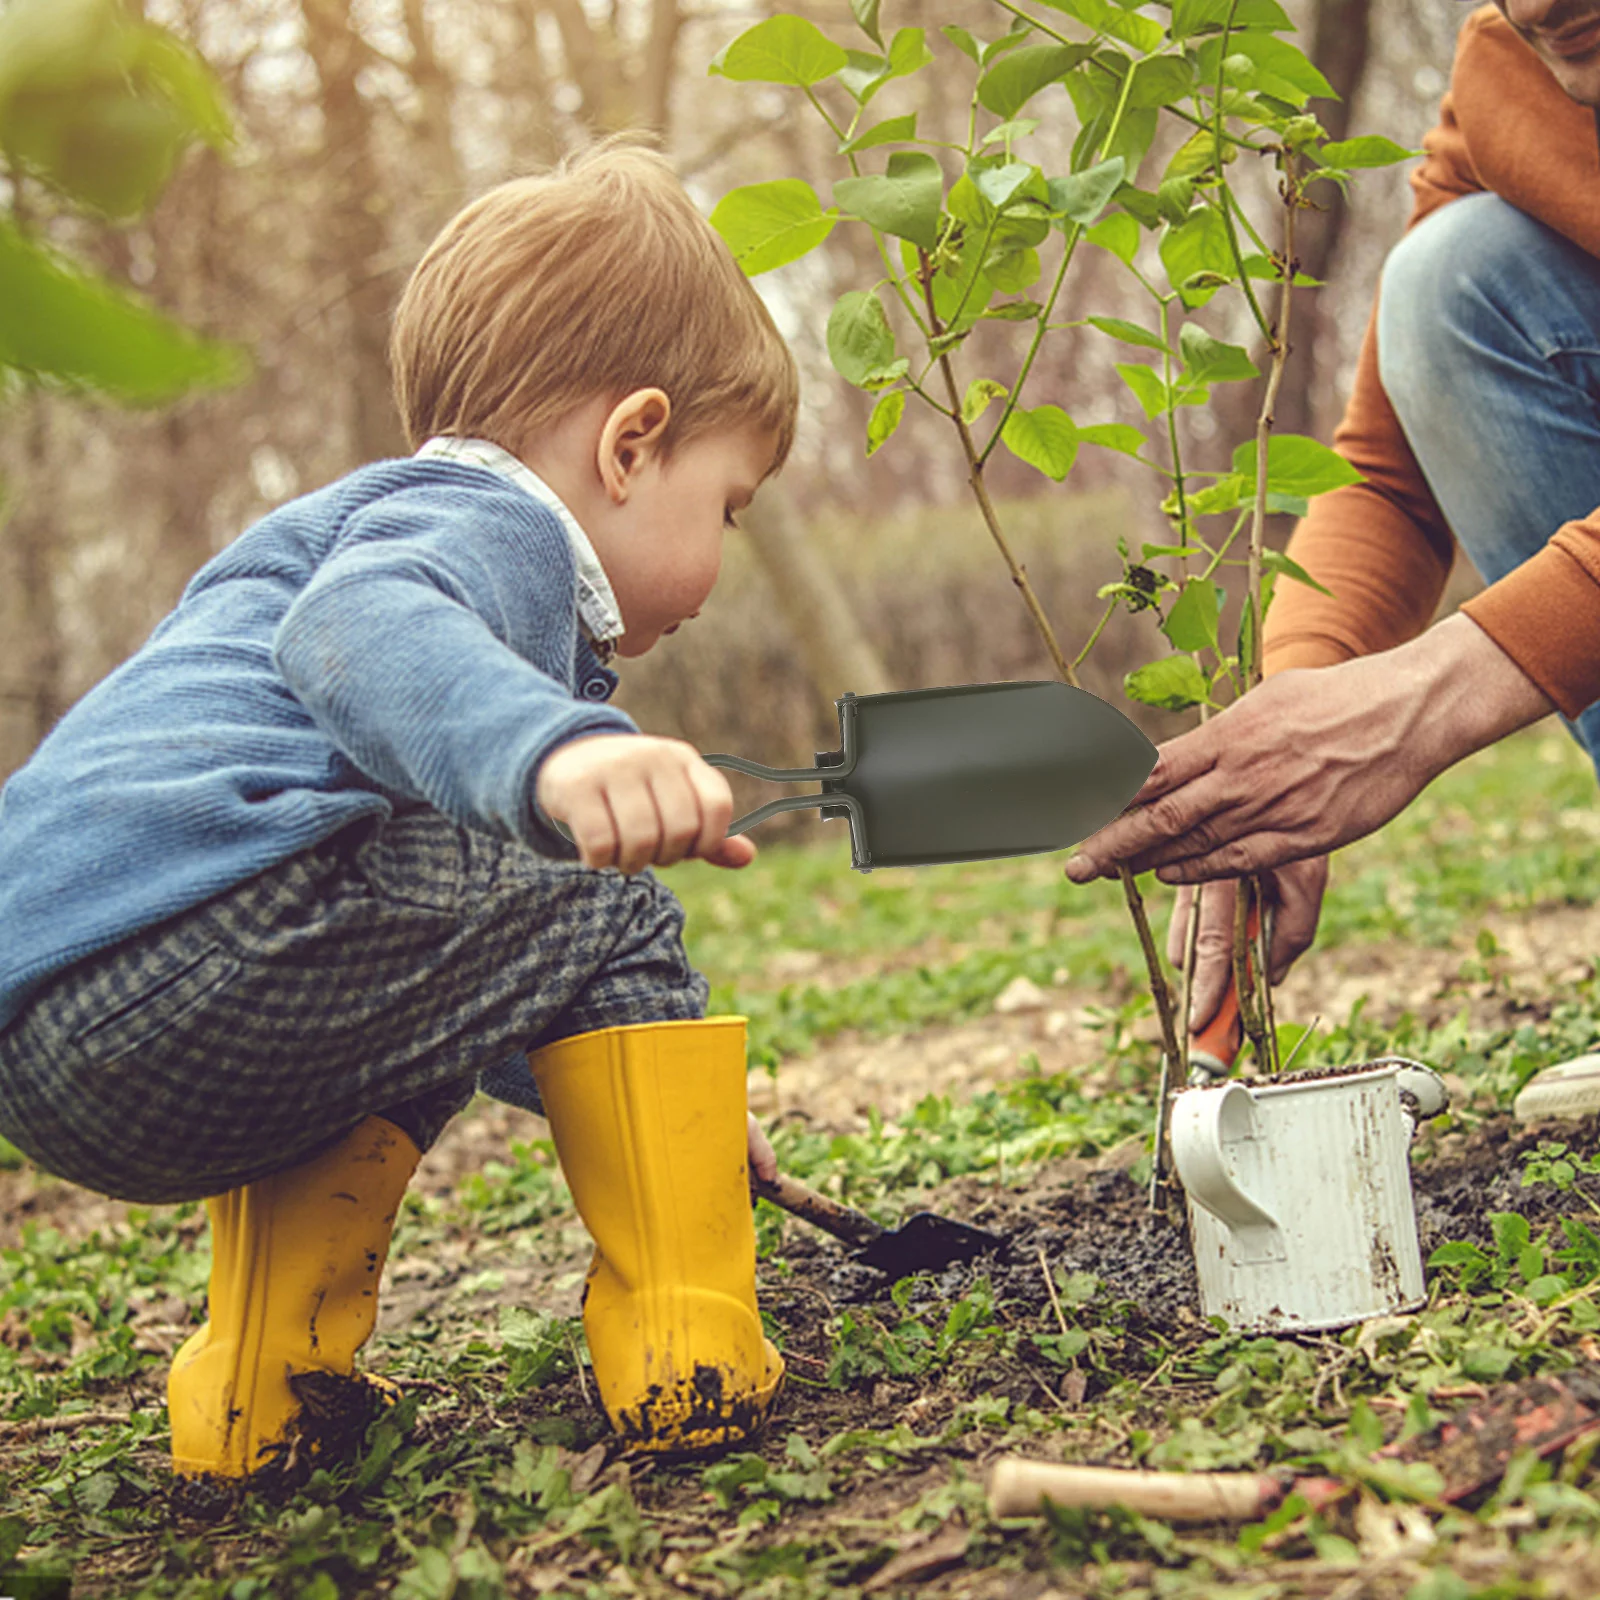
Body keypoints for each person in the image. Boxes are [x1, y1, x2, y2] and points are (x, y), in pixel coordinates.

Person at [0, 142, 797, 1481]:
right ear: (632, 440)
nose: (722, 556)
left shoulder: (367, 520)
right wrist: (558, 755)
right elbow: (356, 631)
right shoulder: (488, 524)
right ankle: (687, 1346)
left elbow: (452, 967)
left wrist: (669, 1109)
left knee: (506, 910)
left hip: (54, 1029)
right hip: (191, 949)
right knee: (604, 894)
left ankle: (261, 1397)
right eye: (729, 503)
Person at [1064, 1, 1600, 1033]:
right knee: (1449, 285)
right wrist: (1293, 715)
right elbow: (1389, 476)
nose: (1533, 5)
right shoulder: (1508, 72)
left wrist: (1422, 701)